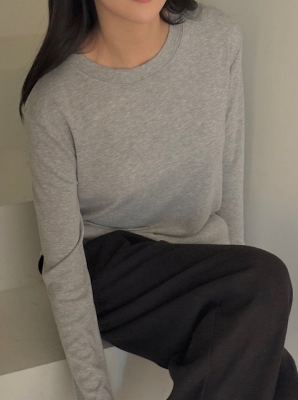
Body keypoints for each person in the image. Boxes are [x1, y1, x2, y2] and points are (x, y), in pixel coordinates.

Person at [19, 1, 298, 399]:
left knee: (282, 379)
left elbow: (229, 174)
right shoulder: (55, 100)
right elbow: (64, 263)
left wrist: (233, 281)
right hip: (113, 271)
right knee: (263, 284)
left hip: (192, 265)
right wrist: (94, 393)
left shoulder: (217, 39)